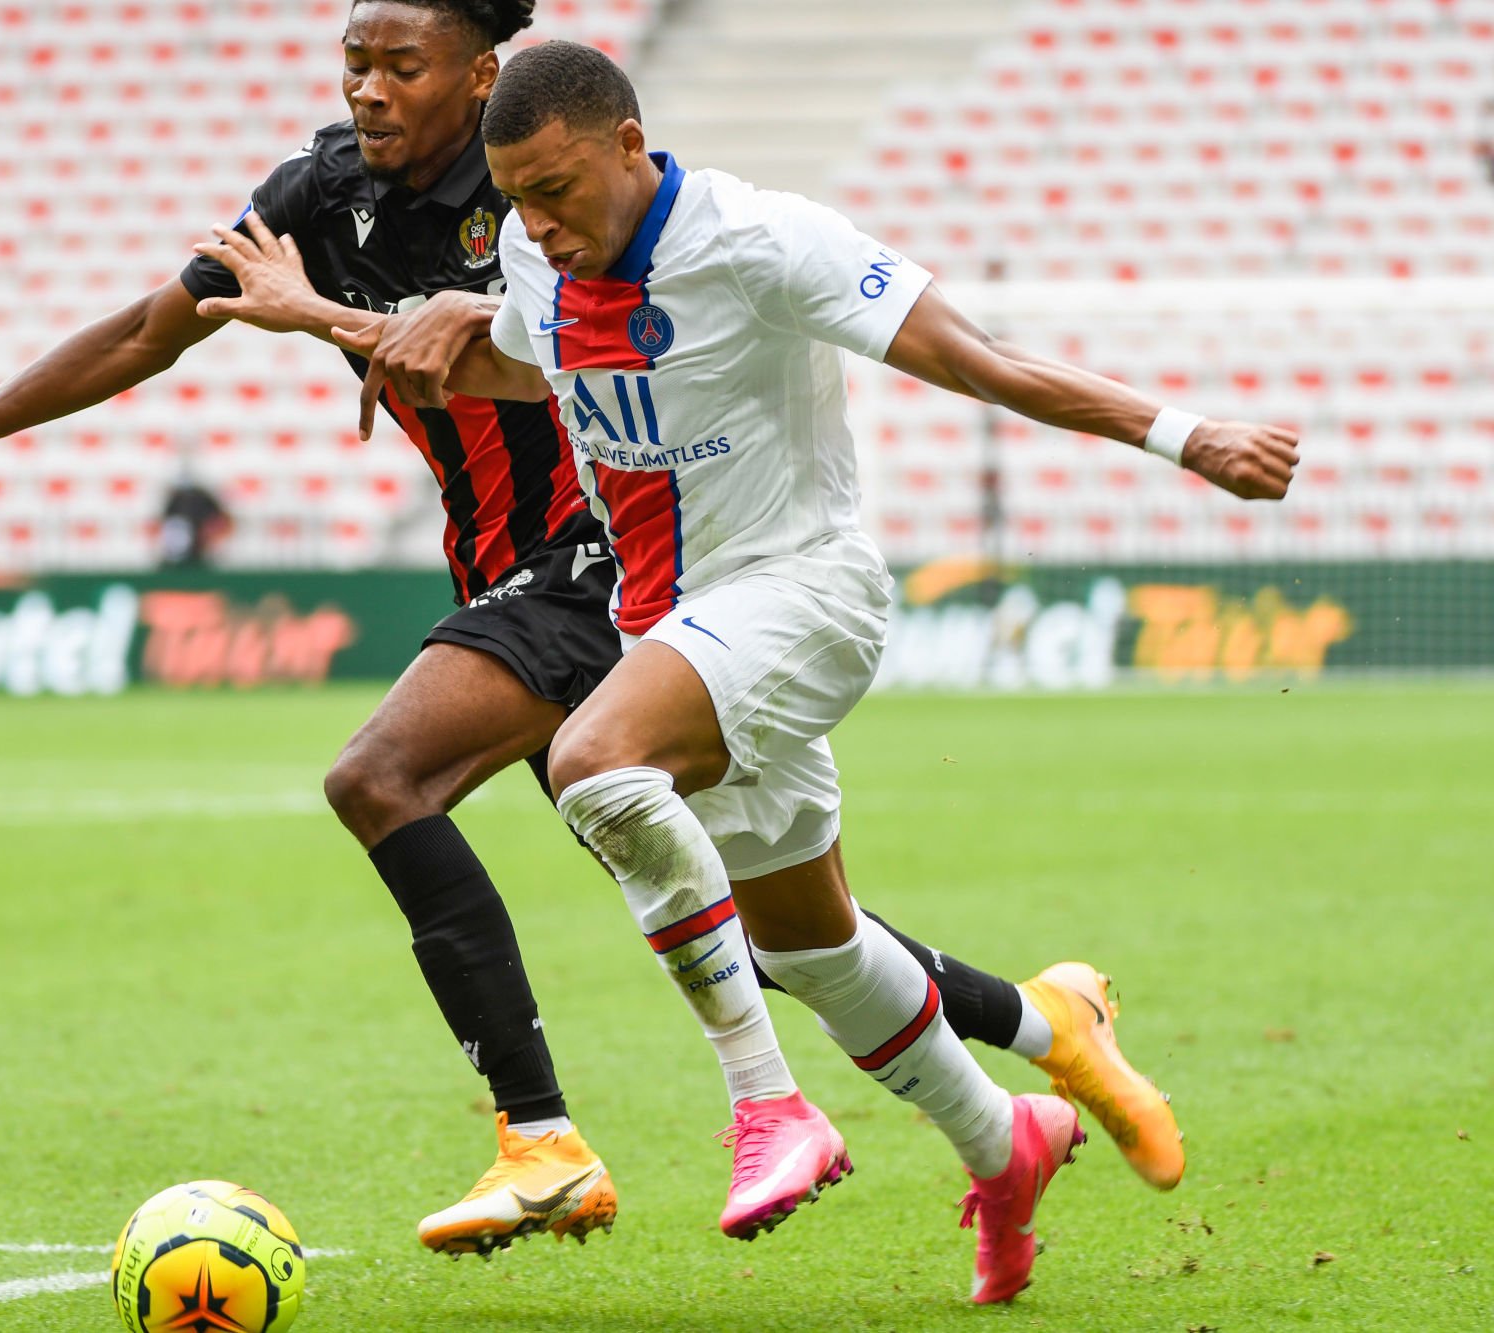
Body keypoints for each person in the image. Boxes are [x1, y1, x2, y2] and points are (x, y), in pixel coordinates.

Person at [0, 0, 1181, 1261]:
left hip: (607, 559)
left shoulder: (559, 187)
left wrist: (369, 321)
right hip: (514, 573)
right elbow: (151, 328)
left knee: (386, 777)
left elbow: (595, 351)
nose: (369, 89)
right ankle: (1036, 1040)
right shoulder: (320, 198)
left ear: (485, 72)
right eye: (355, 60)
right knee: (774, 931)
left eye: (403, 64)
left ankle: (546, 1137)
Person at [340, 40, 1296, 1300]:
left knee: (592, 765)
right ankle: (1001, 1138)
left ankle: (767, 1108)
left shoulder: (763, 239)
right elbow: (533, 361)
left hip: (801, 593)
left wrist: (1187, 435)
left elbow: (980, 361)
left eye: (560, 188)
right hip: (665, 628)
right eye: (516, 196)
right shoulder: (535, 250)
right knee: (810, 948)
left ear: (629, 144)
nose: (539, 221)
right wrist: (371, 322)